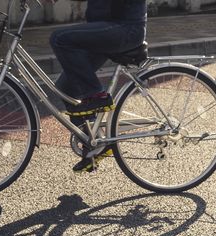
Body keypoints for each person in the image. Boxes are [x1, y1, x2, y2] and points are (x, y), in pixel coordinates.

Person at [46, 0, 147, 171]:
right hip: (106, 28)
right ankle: (94, 143)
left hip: (125, 28)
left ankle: (96, 95)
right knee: (67, 87)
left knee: (59, 38)